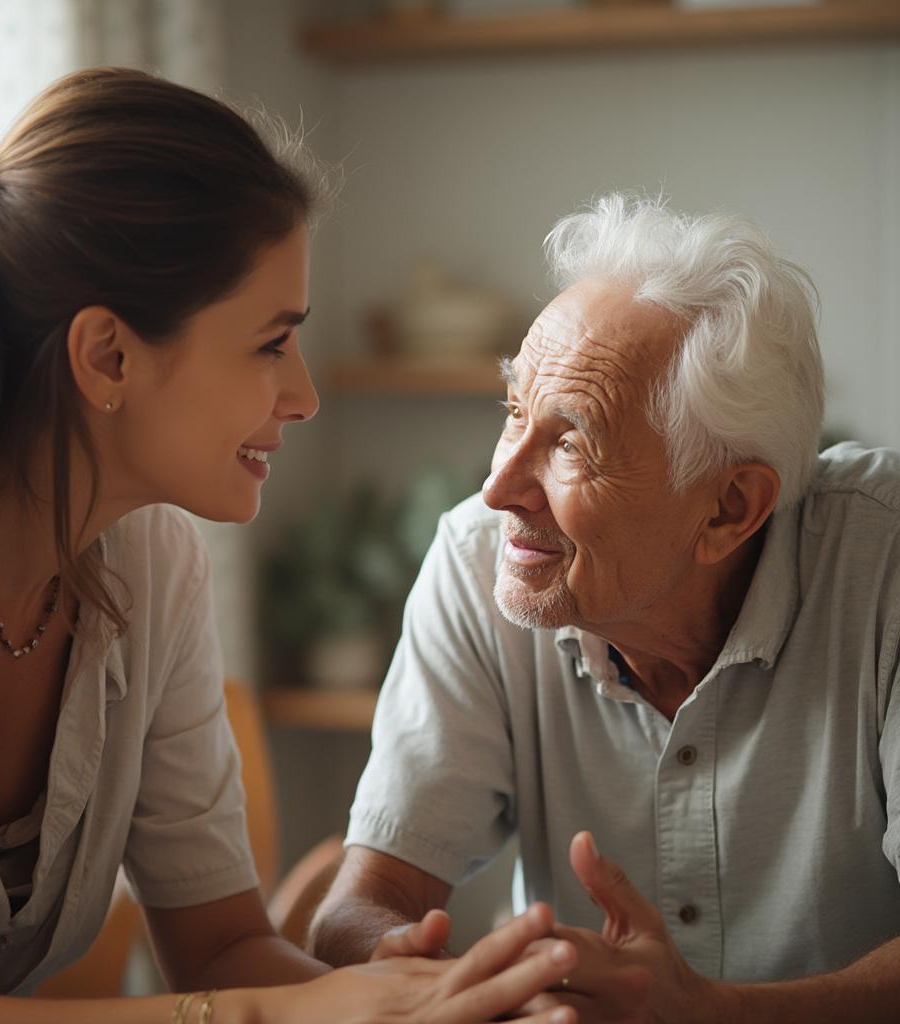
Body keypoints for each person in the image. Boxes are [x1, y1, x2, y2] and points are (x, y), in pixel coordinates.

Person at [0, 67, 578, 1024]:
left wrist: (422, 998)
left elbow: (220, 946)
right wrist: (256, 1017)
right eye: (270, 344)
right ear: (107, 357)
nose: (303, 395)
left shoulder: (150, 559)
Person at [309, 194, 900, 1023]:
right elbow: (357, 905)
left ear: (730, 508)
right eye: (514, 412)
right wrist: (424, 974)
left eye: (571, 442)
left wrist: (709, 1013)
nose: (498, 488)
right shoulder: (481, 558)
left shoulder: (886, 563)